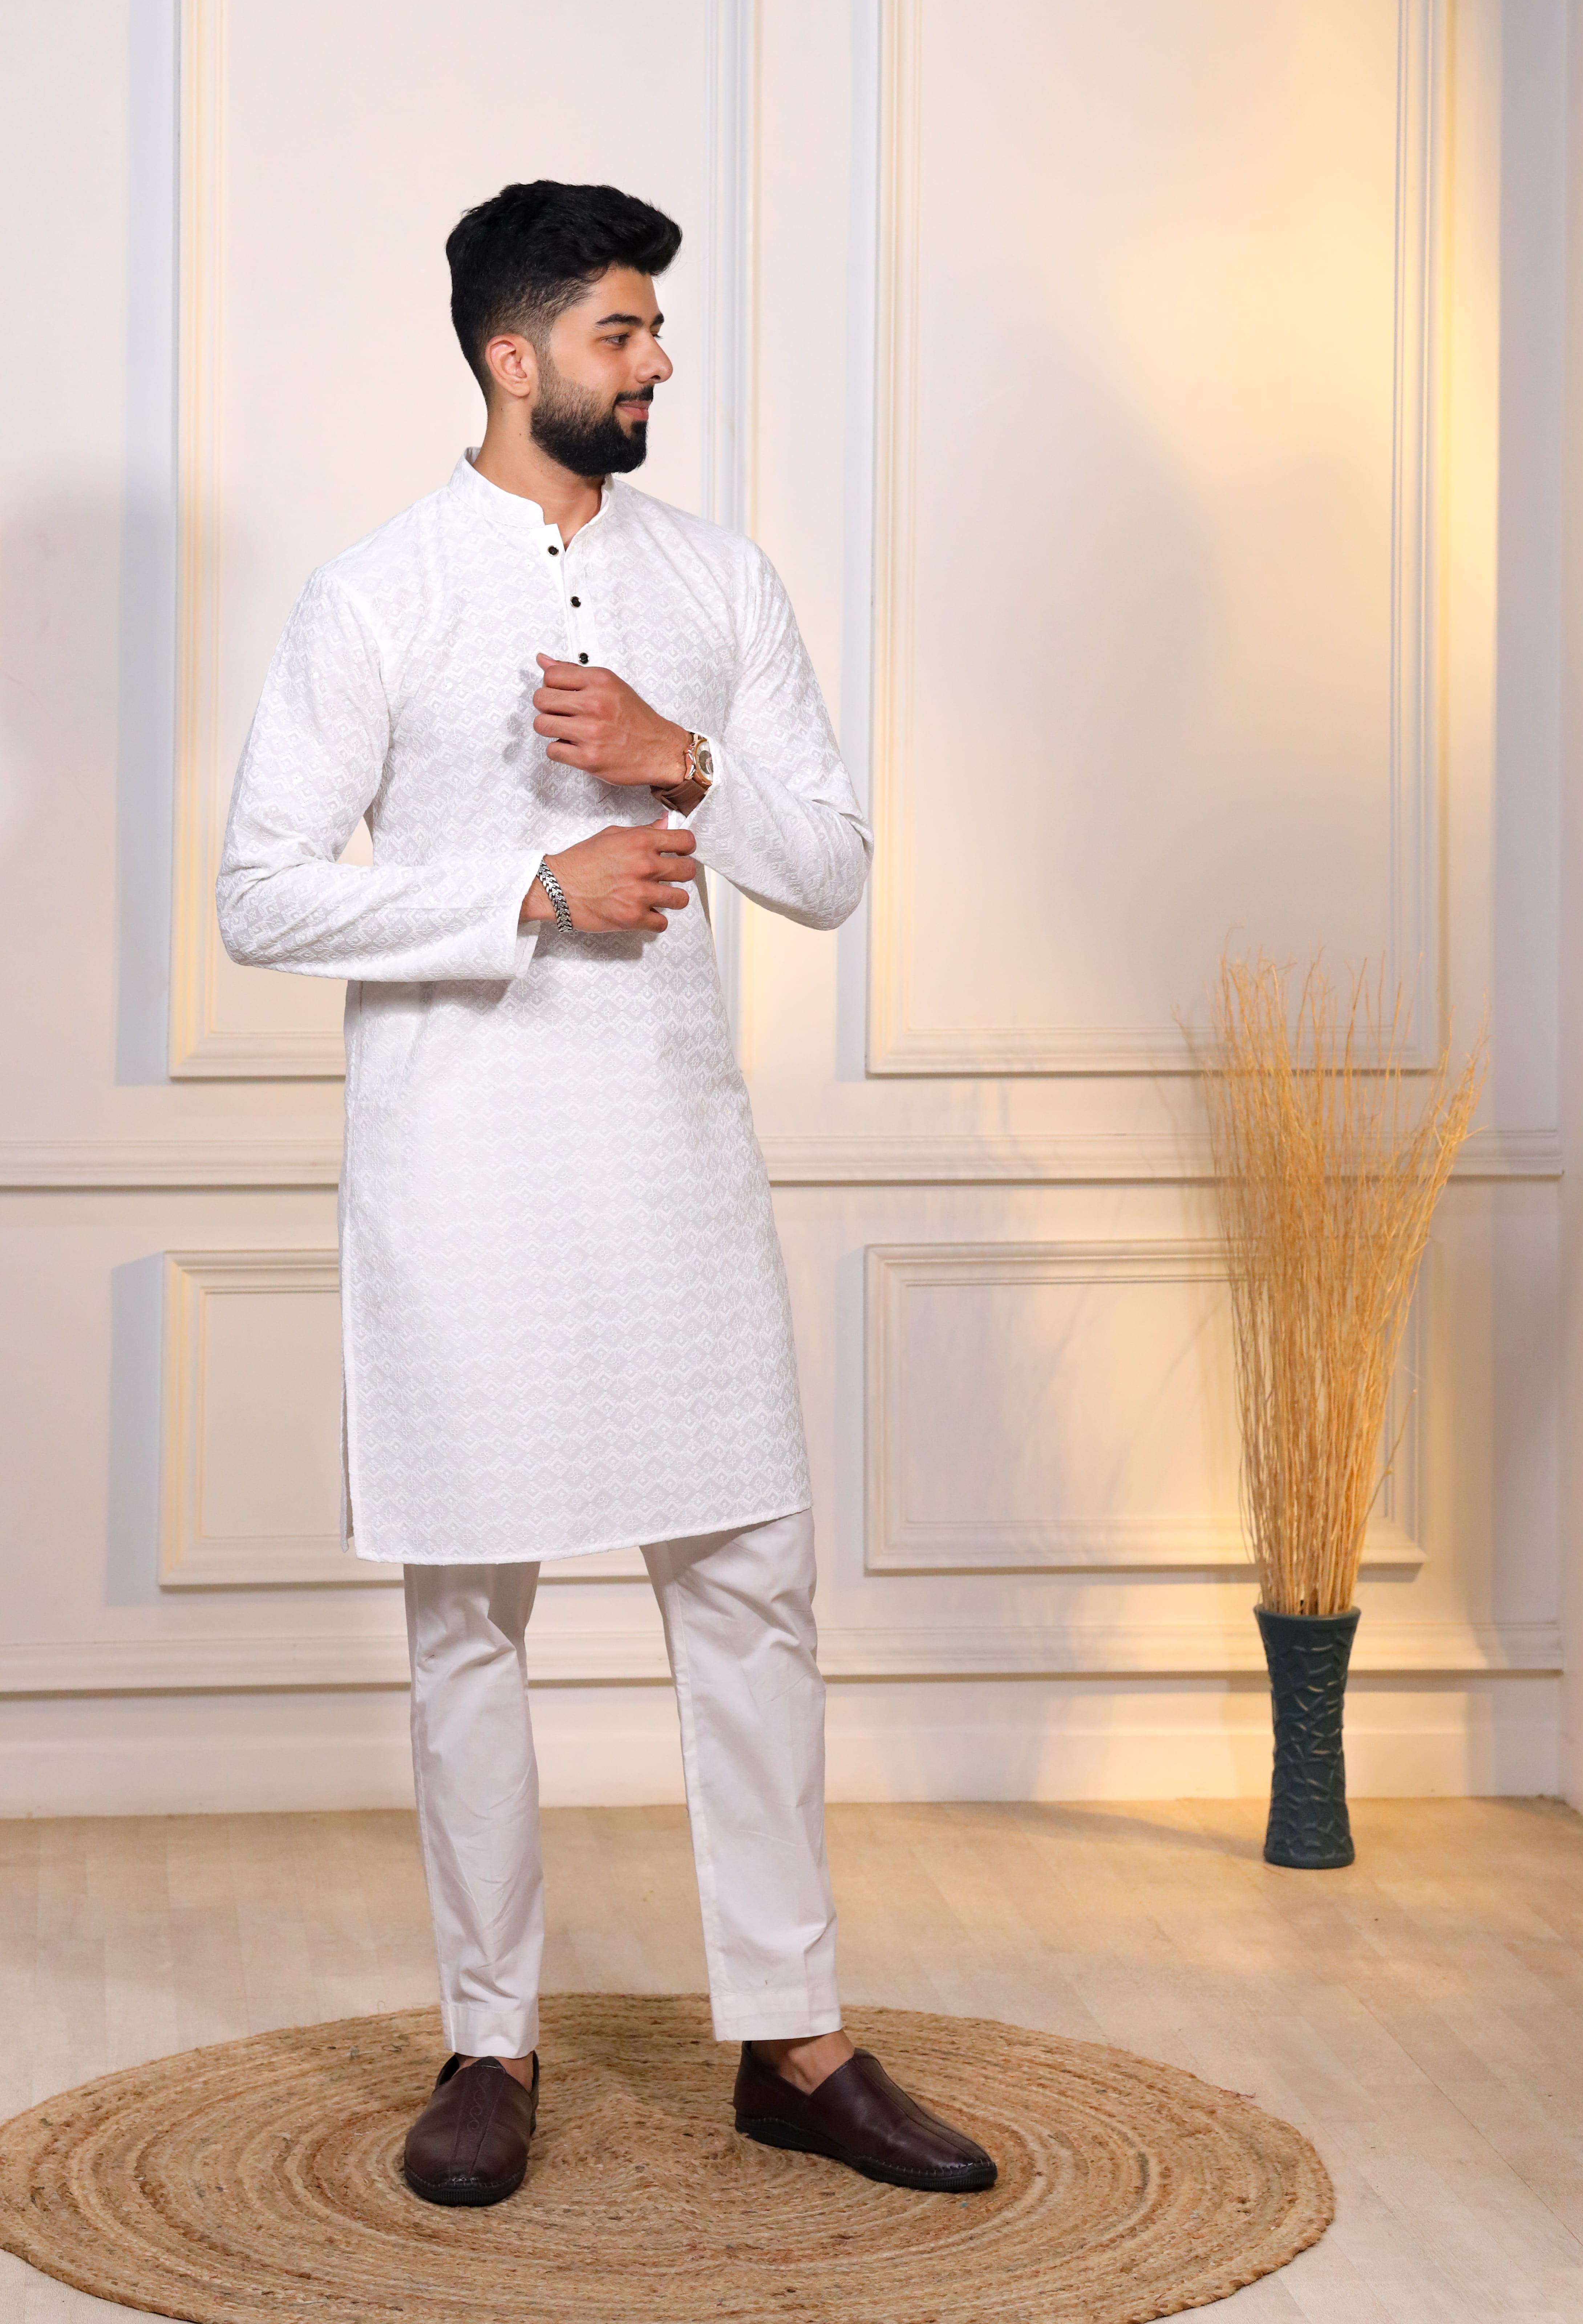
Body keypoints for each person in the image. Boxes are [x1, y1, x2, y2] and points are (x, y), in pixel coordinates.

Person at [216, 179, 996, 2208]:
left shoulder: (718, 582)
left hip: (669, 1159)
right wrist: (529, 890)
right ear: (516, 356)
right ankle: (489, 2043)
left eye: (654, 332)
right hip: (463, 1173)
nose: (657, 364)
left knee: (749, 1587)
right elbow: (261, 893)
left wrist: (683, 759)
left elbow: (835, 869)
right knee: (470, 1617)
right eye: (621, 333)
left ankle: (795, 2042)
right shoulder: (378, 595)